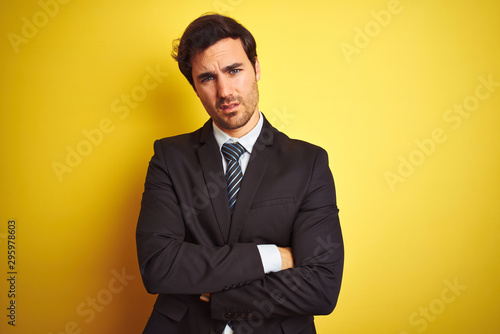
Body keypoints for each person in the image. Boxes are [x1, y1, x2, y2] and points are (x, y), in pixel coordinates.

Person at [136, 13, 344, 334]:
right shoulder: (169, 157)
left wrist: (221, 296)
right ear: (194, 86)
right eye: (207, 78)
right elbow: (159, 266)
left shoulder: (308, 162)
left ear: (256, 68)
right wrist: (272, 257)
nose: (224, 91)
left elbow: (321, 287)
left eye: (234, 71)